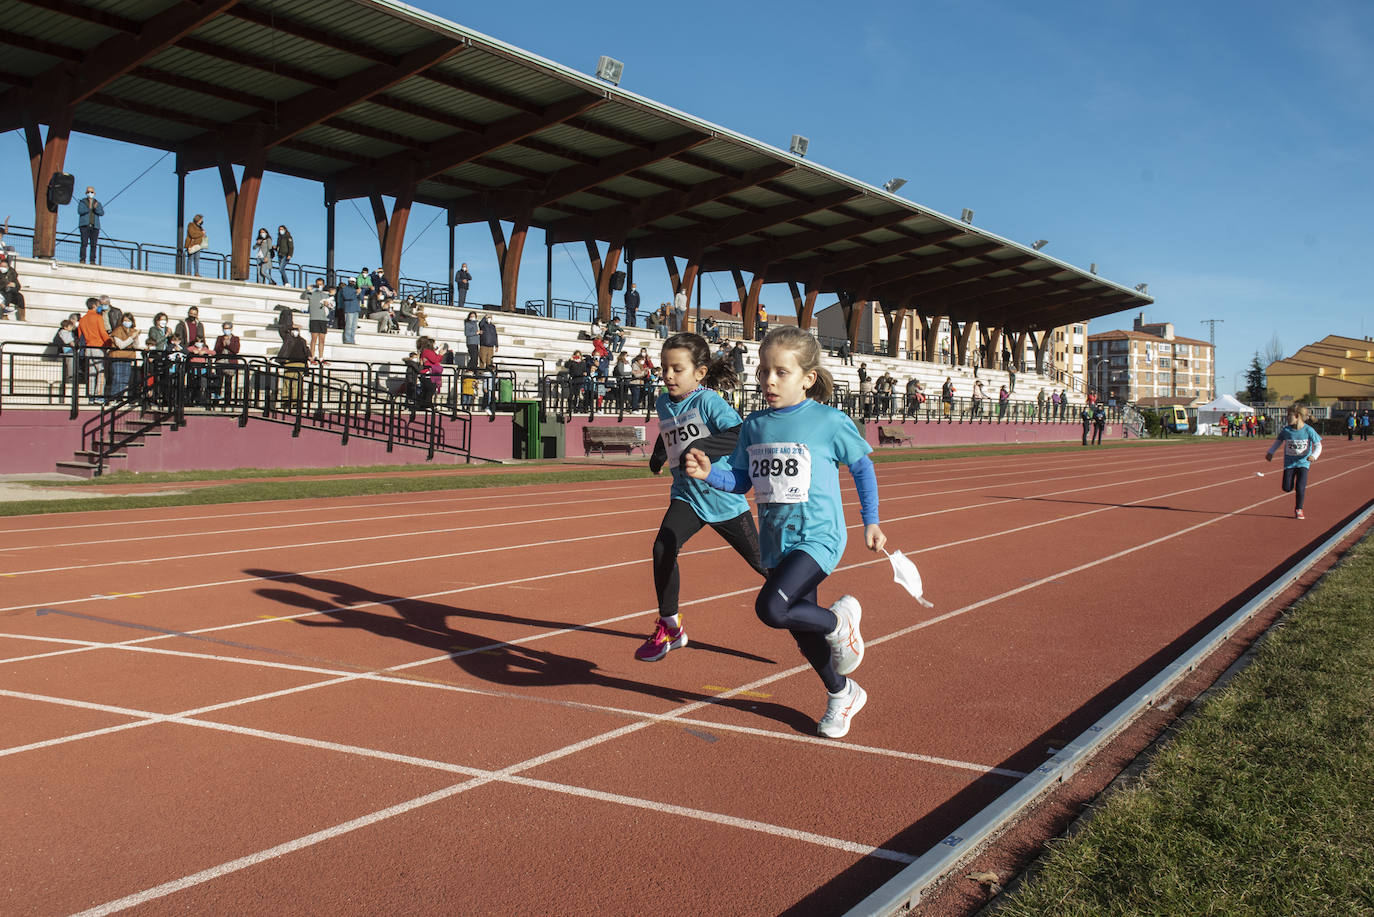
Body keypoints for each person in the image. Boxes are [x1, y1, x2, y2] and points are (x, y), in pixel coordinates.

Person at [685, 325, 886, 738]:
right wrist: (710, 475)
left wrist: (872, 519)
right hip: (777, 539)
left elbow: (863, 466)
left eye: (781, 372)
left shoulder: (829, 421)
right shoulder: (755, 425)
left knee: (772, 609)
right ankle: (841, 692)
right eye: (763, 371)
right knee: (798, 626)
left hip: (819, 536)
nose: (769, 381)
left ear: (807, 378)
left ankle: (838, 621)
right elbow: (741, 480)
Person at [635, 332, 767, 662]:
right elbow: (670, 431)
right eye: (665, 368)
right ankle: (671, 627)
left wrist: (701, 447)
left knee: (764, 564)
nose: (668, 376)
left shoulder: (709, 402)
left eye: (677, 369)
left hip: (723, 499)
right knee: (662, 546)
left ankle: (805, 603)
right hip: (688, 496)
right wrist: (658, 455)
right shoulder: (663, 401)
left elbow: (738, 433)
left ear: (700, 373)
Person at [1266, 405, 1323, 519]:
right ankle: (1290, 489)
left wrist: (1314, 456)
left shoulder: (1308, 430)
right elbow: (1278, 442)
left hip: (1303, 462)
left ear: (1297, 416)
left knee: (1300, 486)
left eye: (1289, 415)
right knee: (1287, 488)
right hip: (1289, 463)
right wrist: (1271, 452)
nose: (1286, 418)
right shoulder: (1286, 430)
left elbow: (1318, 445)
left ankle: (1299, 509)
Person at [106, 312, 140, 397]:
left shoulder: (133, 331)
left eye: (129, 320)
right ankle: (114, 397)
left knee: (125, 379)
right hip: (118, 357)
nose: (127, 322)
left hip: (128, 357)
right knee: (117, 378)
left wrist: (135, 338)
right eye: (125, 320)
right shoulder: (117, 330)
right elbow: (121, 345)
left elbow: (136, 346)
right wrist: (131, 337)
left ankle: (121, 396)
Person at [303, 279, 332, 363]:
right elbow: (303, 297)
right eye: (317, 284)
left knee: (322, 339)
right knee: (314, 339)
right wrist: (307, 289)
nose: (319, 286)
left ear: (323, 285)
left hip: (323, 319)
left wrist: (328, 304)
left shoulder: (326, 295)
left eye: (321, 284)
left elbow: (331, 306)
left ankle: (321, 357)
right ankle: (312, 357)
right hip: (314, 319)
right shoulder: (311, 293)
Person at [77, 186, 104, 264]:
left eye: (91, 192)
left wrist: (95, 208)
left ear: (94, 193)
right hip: (84, 225)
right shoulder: (82, 202)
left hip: (95, 226)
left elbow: (101, 213)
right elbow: (80, 211)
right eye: (88, 192)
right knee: (84, 243)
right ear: (86, 193)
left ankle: (92, 260)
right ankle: (82, 259)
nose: (90, 193)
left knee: (93, 244)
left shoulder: (97, 203)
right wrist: (89, 208)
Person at [338, 276, 361, 344]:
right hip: (349, 309)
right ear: (348, 282)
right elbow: (347, 297)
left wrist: (359, 292)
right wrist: (356, 293)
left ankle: (352, 339)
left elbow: (361, 298)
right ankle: (347, 340)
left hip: (355, 309)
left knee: (354, 326)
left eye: (353, 282)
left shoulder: (355, 289)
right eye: (351, 281)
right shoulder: (345, 289)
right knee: (349, 325)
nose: (352, 283)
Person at [0, 251, 23, 320]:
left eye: (4, 266)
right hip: (2, 291)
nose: (3, 268)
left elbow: (18, 286)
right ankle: (4, 315)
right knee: (7, 294)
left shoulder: (12, 274)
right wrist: (6, 285)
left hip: (11, 292)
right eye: (1, 266)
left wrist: (14, 285)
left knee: (20, 297)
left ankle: (22, 317)